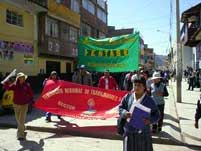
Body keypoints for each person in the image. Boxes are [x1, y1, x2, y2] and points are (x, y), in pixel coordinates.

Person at [118, 76, 160, 151]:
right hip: (129, 132)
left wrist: (149, 120)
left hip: (143, 134)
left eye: (139, 85)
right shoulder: (128, 97)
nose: (136, 87)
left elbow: (157, 115)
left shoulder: (149, 101)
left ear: (144, 87)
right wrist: (125, 113)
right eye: (135, 85)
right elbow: (120, 108)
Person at [2, 72, 33, 141]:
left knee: (21, 119)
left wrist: (31, 100)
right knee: (18, 119)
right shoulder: (15, 85)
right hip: (16, 104)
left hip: (25, 104)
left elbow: (30, 93)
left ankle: (20, 135)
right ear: (18, 78)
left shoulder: (27, 85)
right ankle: (23, 128)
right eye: (21, 77)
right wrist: (5, 83)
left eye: (23, 77)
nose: (22, 78)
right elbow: (8, 88)